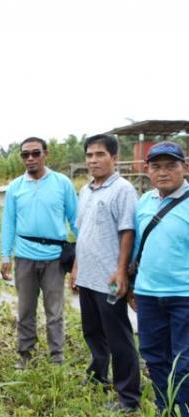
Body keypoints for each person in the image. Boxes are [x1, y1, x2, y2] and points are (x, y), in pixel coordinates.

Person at [70, 134, 141, 412]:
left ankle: (128, 398)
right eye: (89, 155)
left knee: (119, 337)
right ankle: (98, 376)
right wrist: (75, 268)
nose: (93, 160)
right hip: (87, 275)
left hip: (109, 279)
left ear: (114, 157)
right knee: (92, 331)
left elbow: (127, 232)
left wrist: (121, 272)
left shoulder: (122, 189)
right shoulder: (86, 190)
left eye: (100, 154)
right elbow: (82, 232)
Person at [0, 137, 78, 369]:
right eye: (25, 155)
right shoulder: (15, 187)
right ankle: (25, 354)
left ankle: (56, 356)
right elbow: (8, 223)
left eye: (35, 153)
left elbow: (76, 221)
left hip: (54, 258)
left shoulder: (62, 183)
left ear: (46, 154)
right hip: (24, 257)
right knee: (25, 310)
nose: (30, 158)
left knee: (55, 312)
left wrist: (83, 255)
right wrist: (6, 256)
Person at [133, 141, 189, 416]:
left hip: (184, 296)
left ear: (185, 167)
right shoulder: (144, 201)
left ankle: (184, 409)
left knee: (184, 361)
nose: (163, 172)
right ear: (147, 170)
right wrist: (131, 284)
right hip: (148, 295)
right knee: (154, 356)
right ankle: (163, 407)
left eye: (171, 166)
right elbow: (136, 248)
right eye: (156, 166)